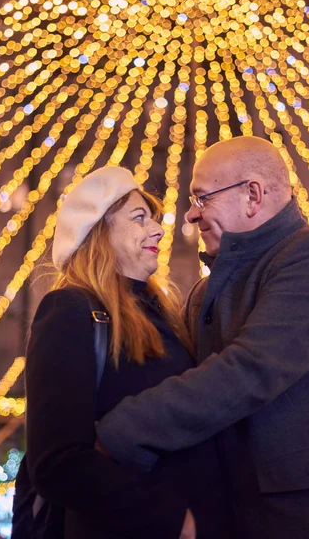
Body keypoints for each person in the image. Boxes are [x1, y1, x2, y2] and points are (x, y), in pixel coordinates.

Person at [97, 137, 309, 539]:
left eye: (202, 199)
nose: (190, 215)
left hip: (295, 516)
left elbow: (249, 370)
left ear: (252, 195)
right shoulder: (204, 293)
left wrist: (119, 431)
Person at [17, 166, 234, 539]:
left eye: (152, 217)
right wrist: (173, 519)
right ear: (99, 232)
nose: (158, 229)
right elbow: (57, 462)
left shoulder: (163, 314)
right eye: (139, 218)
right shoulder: (70, 310)